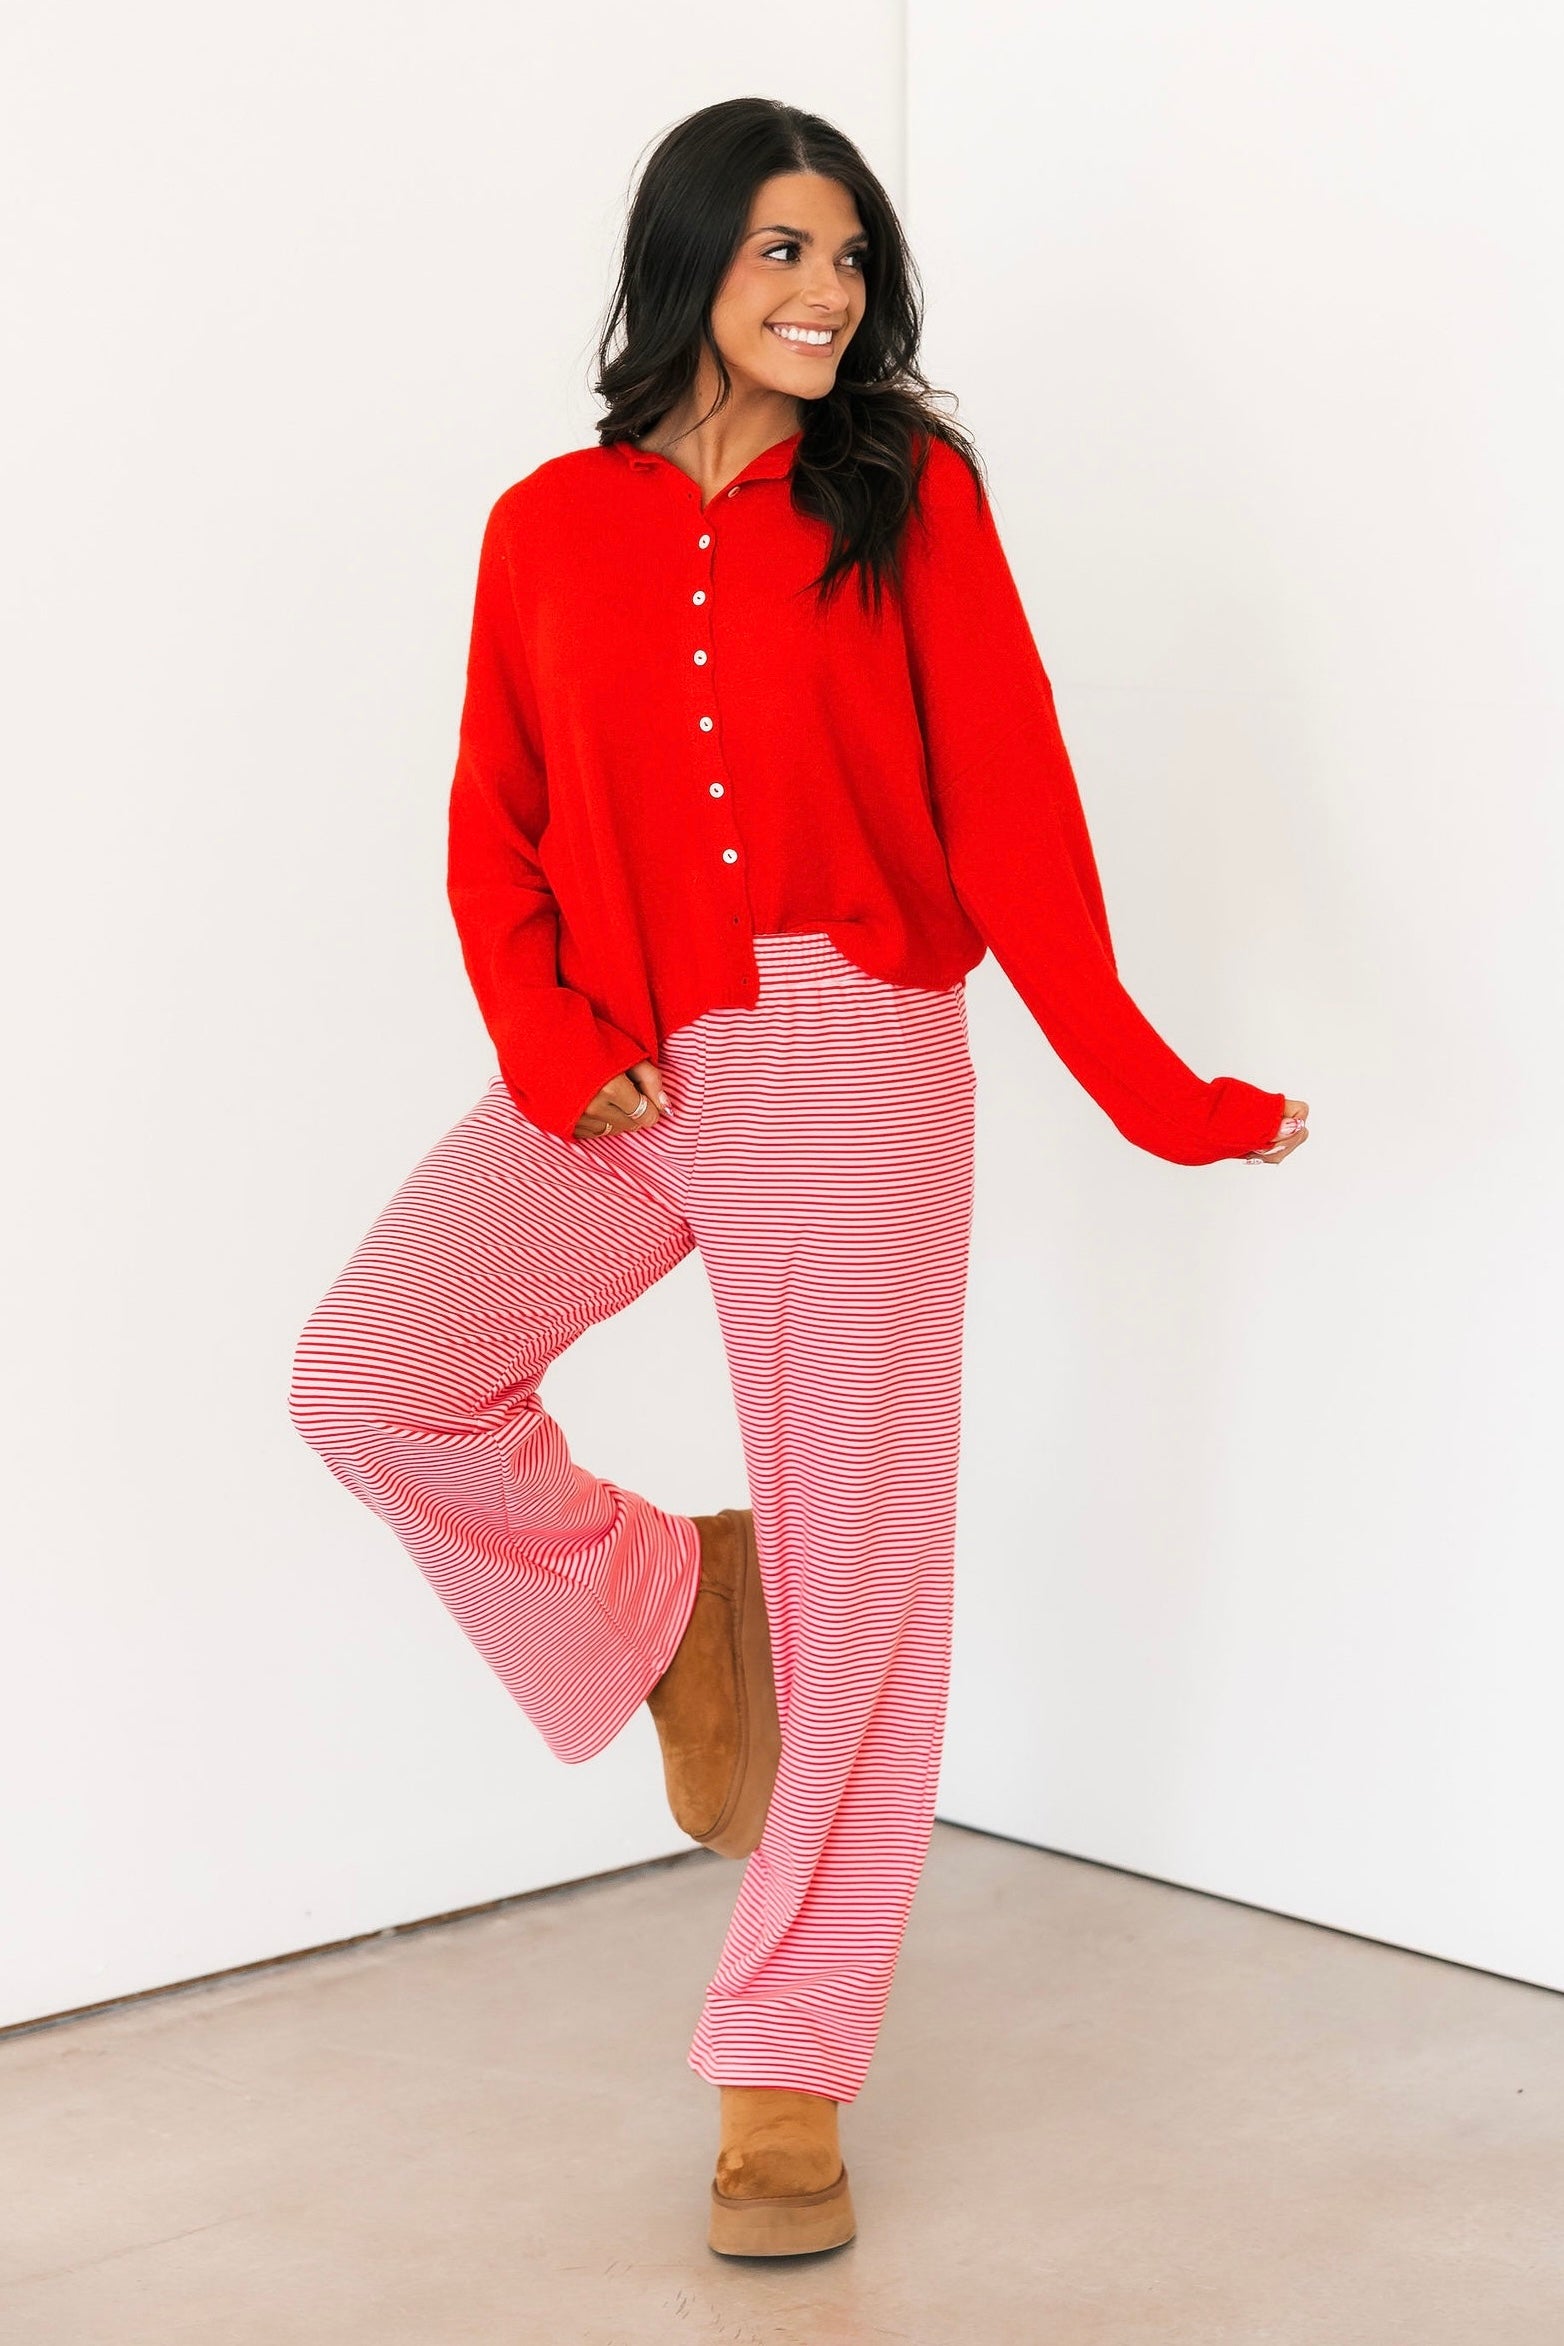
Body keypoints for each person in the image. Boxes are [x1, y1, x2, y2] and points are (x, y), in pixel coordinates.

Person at [288, 95, 1309, 2262]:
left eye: (849, 258)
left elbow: (1012, 797)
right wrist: (552, 1045)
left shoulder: (904, 495)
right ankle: (672, 1604)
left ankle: (785, 2058)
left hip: (850, 1041)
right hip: (621, 1051)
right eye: (782, 251)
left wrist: (1148, 1085)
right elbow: (492, 820)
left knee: (863, 1576)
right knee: (371, 1374)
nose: (827, 293)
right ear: (685, 264)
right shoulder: (542, 526)